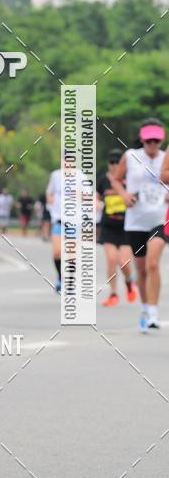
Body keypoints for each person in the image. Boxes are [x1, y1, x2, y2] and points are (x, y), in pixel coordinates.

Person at [112, 118, 167, 332]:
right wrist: (124, 194)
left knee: (153, 263)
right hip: (135, 221)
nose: (152, 145)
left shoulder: (166, 158)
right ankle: (144, 308)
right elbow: (116, 179)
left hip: (159, 219)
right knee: (142, 269)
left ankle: (153, 312)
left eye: (157, 141)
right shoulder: (131, 156)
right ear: (142, 140)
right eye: (149, 141)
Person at [96, 149, 137, 306]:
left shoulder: (128, 180)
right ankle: (113, 294)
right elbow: (97, 197)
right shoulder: (103, 181)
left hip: (126, 227)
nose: (114, 166)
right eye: (111, 163)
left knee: (124, 262)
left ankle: (128, 283)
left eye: (117, 163)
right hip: (108, 227)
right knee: (111, 260)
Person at [46, 167, 63, 293]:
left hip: (74, 222)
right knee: (57, 252)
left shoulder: (80, 176)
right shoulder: (56, 175)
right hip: (58, 219)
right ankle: (60, 277)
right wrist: (50, 201)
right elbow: (49, 192)